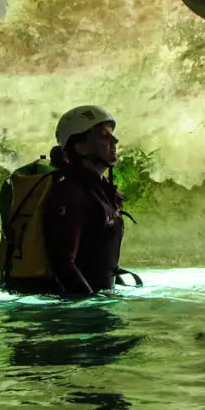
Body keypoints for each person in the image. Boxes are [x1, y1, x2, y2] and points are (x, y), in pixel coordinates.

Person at [42, 105, 127, 295]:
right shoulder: (70, 193)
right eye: (104, 136)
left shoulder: (100, 190)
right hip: (74, 314)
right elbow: (62, 263)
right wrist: (88, 307)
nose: (115, 140)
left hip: (96, 302)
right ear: (81, 146)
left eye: (112, 134)